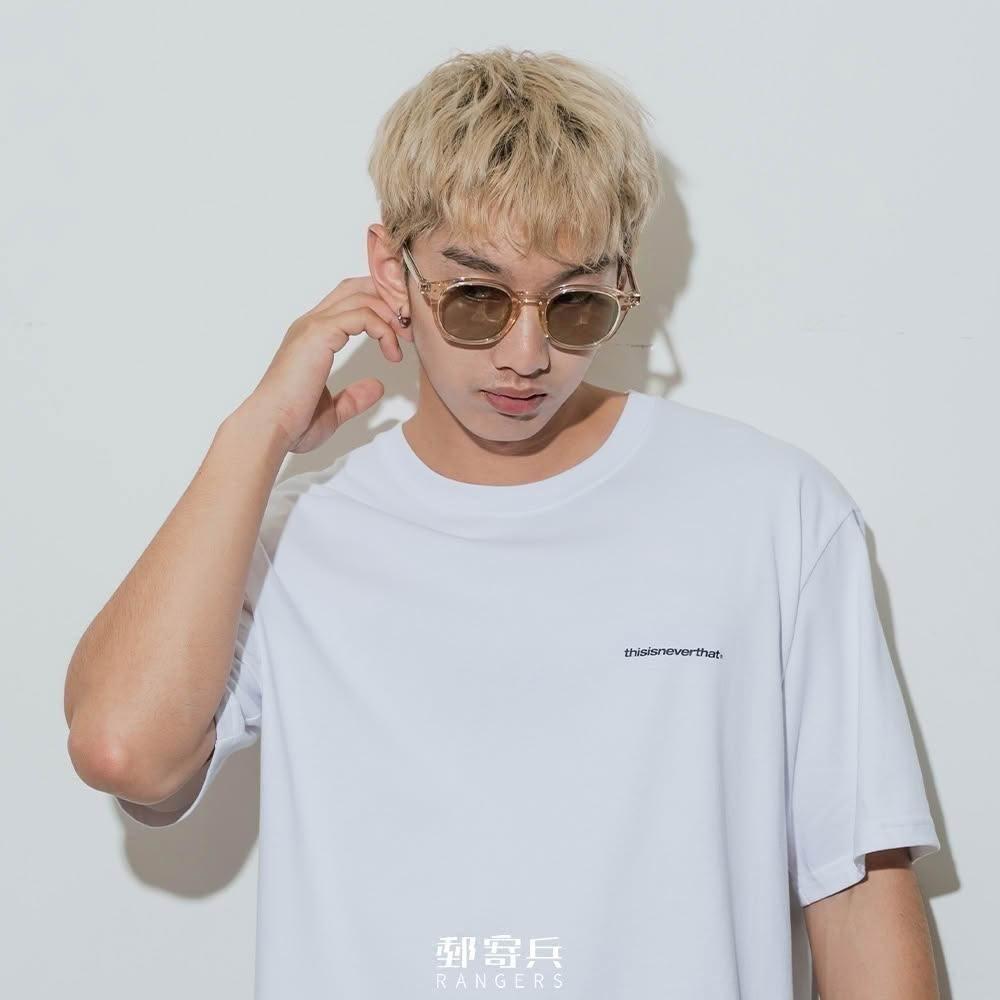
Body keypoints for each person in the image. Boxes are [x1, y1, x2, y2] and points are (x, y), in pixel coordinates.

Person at [63, 46, 941, 999]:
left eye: (574, 305)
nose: (526, 354)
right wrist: (256, 434)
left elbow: (857, 887)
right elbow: (124, 750)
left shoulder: (771, 510)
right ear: (390, 270)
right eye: (477, 297)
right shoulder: (298, 535)